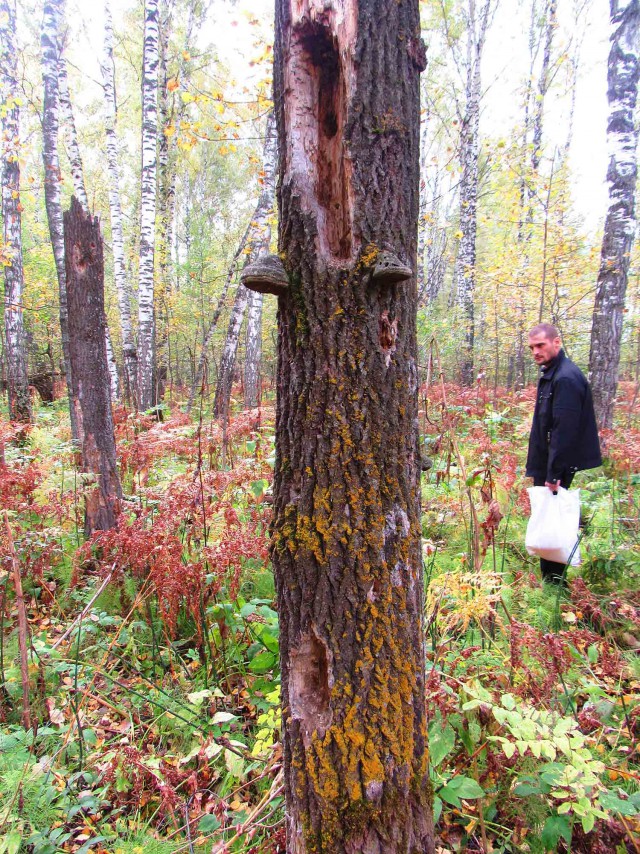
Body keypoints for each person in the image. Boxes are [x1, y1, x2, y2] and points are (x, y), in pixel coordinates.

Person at [525, 323, 602, 582]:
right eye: (532, 347)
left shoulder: (566, 377)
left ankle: (554, 582)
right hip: (550, 461)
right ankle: (551, 577)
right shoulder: (553, 373)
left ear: (556, 343)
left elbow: (564, 430)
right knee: (548, 515)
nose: (536, 351)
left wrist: (554, 472)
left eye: (540, 345)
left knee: (553, 518)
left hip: (555, 464)